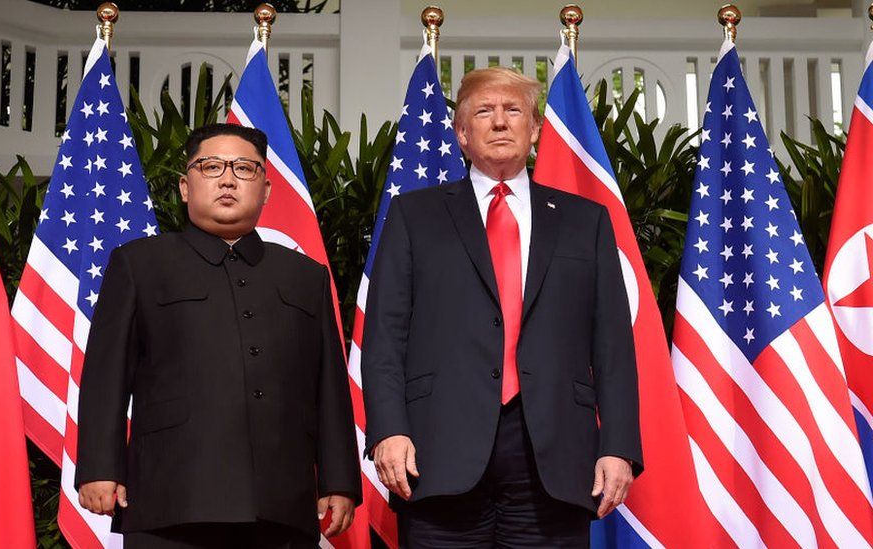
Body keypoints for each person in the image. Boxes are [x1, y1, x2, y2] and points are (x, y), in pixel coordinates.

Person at [362, 66, 643, 547]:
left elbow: (613, 344)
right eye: (483, 111)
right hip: (436, 450)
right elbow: (385, 336)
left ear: (534, 130)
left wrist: (618, 446)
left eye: (513, 110)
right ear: (461, 133)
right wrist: (388, 430)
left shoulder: (585, 221)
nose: (499, 122)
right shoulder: (414, 215)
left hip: (553, 453)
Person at [75, 123, 361, 548]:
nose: (228, 179)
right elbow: (105, 376)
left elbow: (329, 387)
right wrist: (100, 466)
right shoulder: (140, 264)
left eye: (244, 169)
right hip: (171, 499)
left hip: (281, 502)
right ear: (185, 187)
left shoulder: (305, 275)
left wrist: (339, 479)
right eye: (211, 167)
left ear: (265, 190)